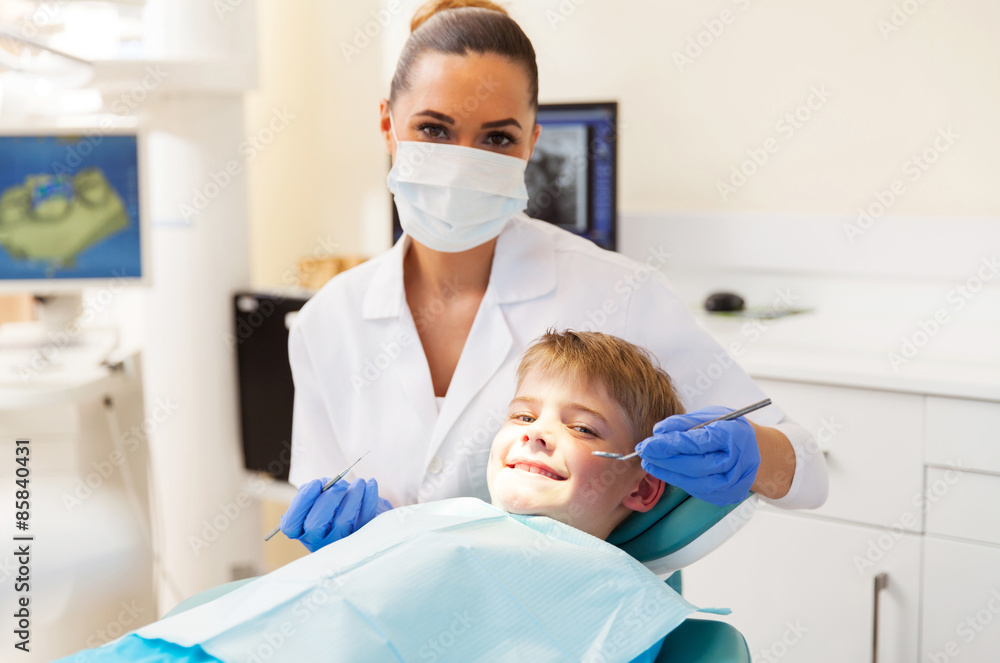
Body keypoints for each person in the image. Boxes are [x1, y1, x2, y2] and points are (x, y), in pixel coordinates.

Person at [284, 0, 827, 552]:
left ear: (531, 145)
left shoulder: (618, 294)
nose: (464, 162)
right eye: (434, 129)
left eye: (497, 138)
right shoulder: (326, 322)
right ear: (387, 126)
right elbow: (321, 498)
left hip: (566, 626)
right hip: (393, 614)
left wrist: (754, 453)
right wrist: (332, 533)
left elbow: (807, 469)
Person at [49, 331, 719, 663]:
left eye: (581, 427)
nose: (539, 434)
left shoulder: (611, 596)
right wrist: (375, 546)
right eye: (522, 416)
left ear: (643, 484)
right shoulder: (447, 523)